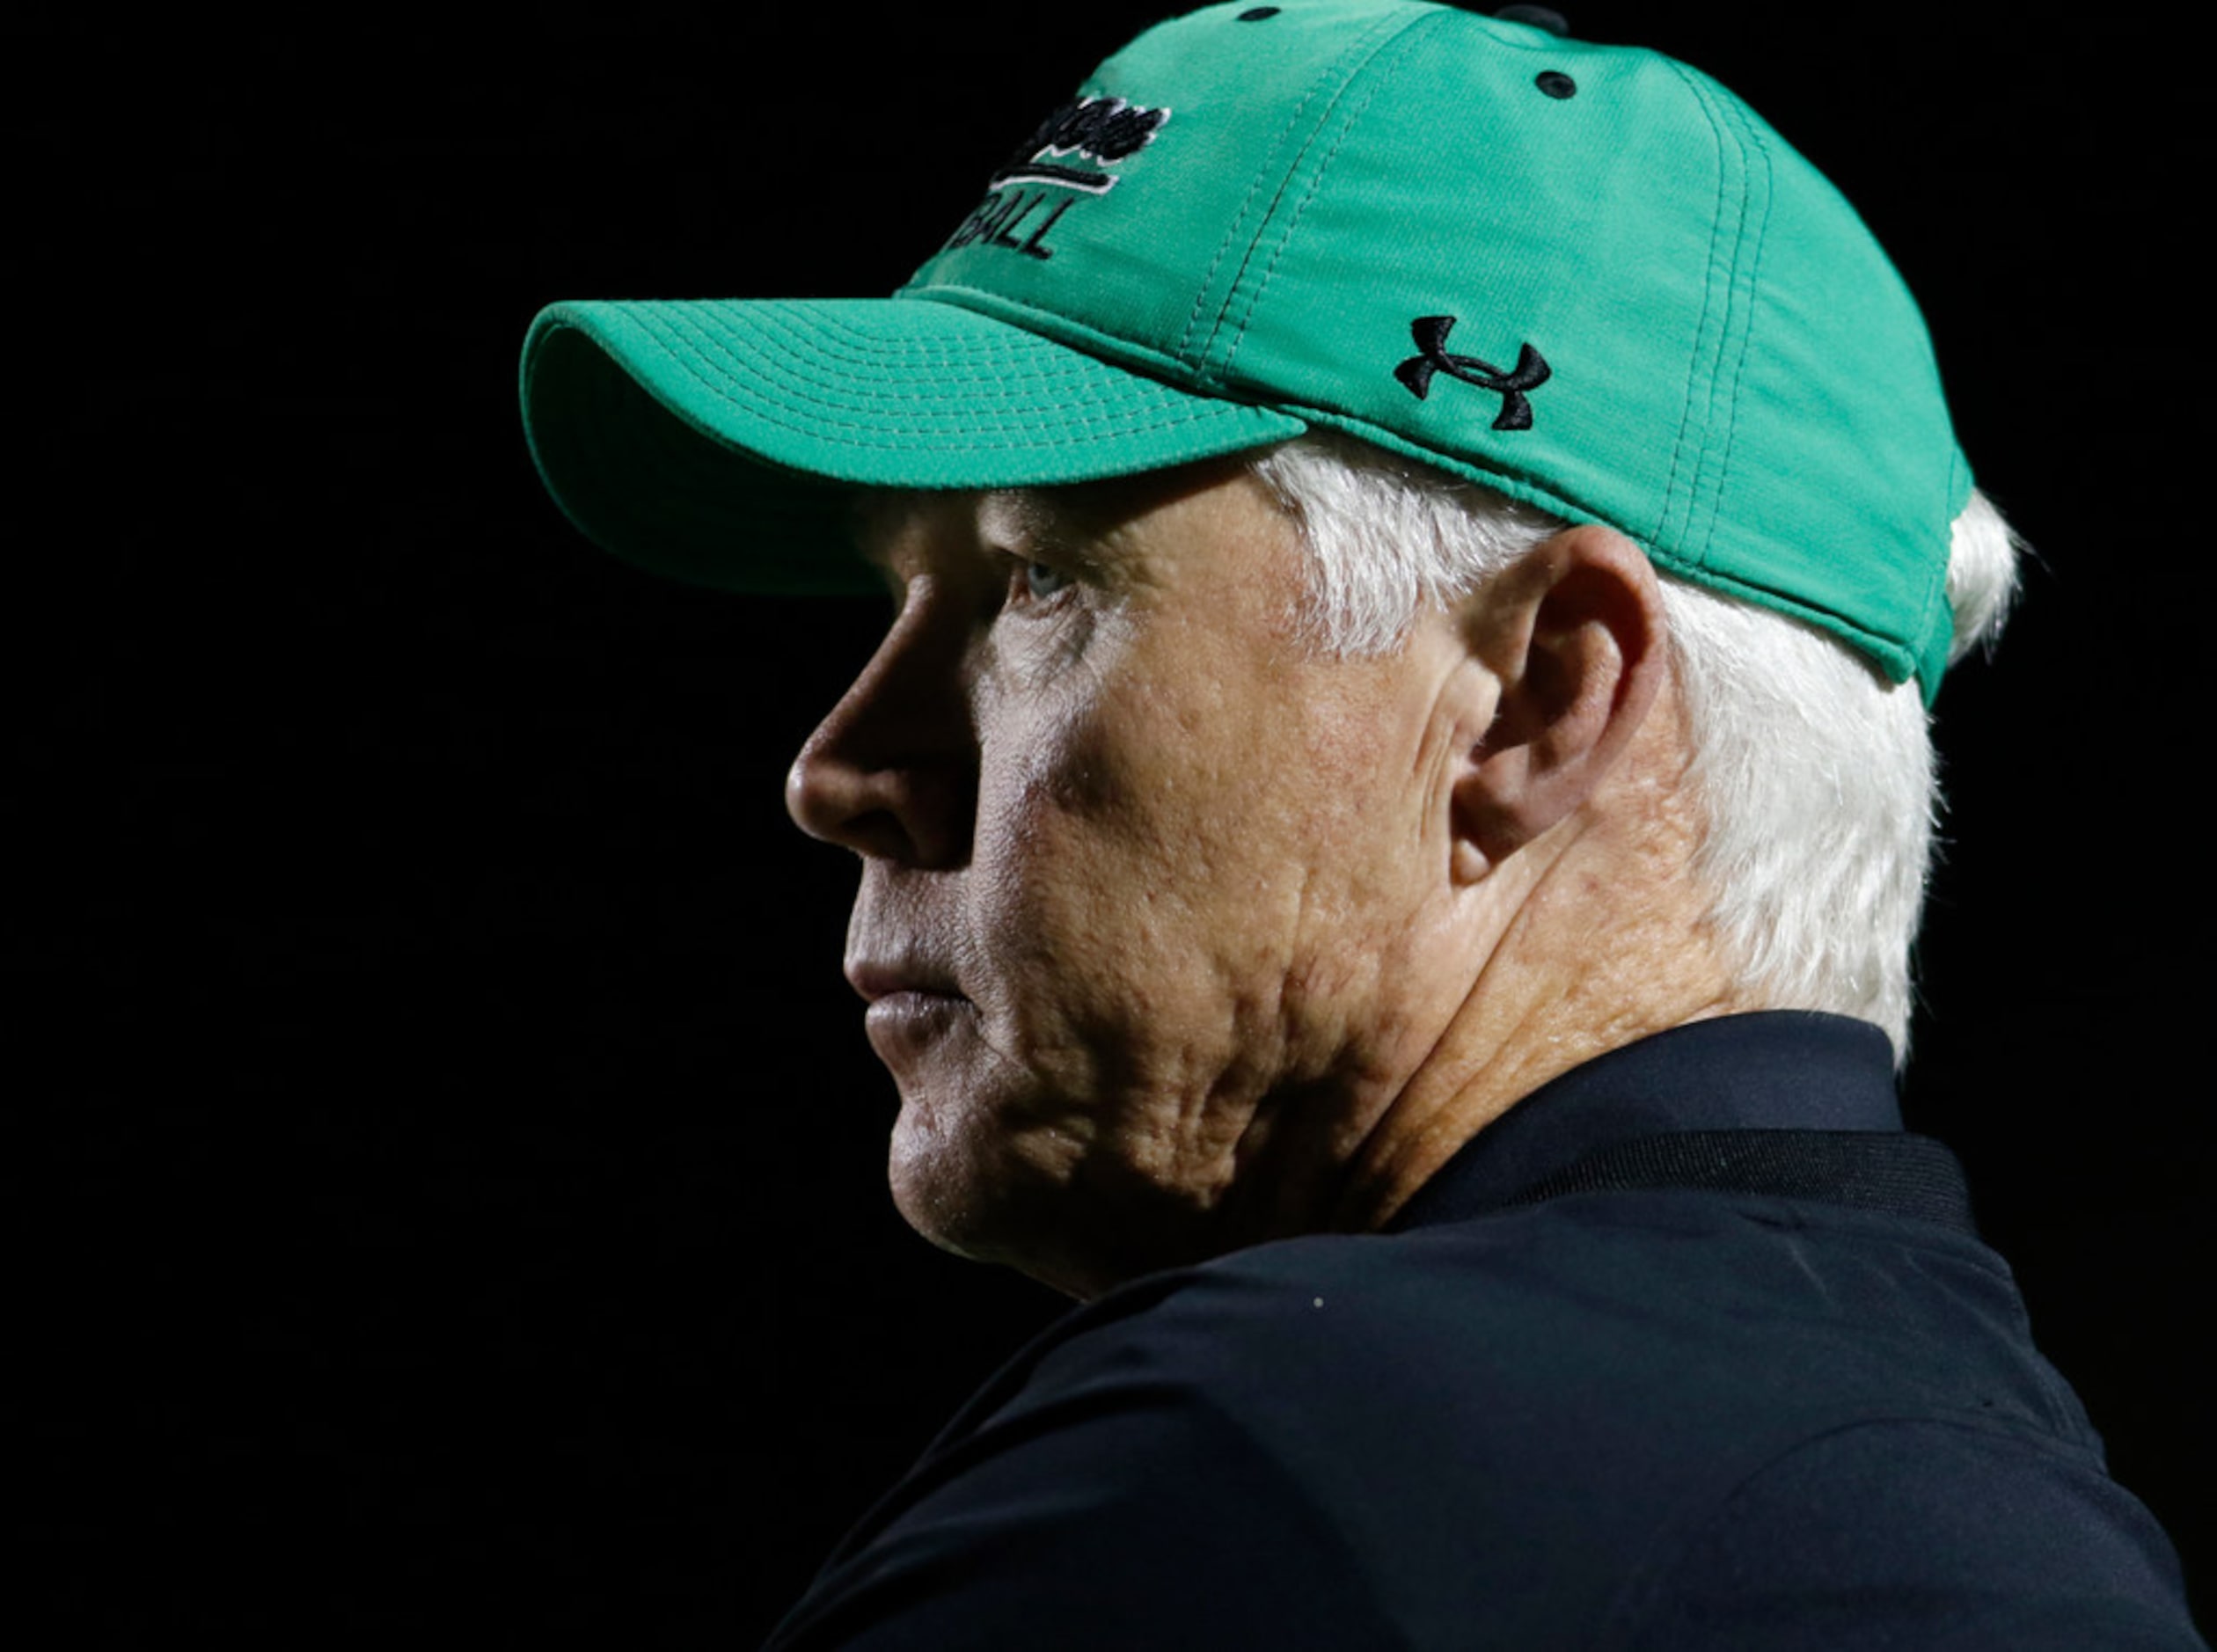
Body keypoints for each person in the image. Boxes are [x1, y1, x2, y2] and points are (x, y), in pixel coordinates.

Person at [517, 1, 2205, 1643]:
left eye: (1037, 583)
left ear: (1537, 695)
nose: (842, 765)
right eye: (900, 598)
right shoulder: (1988, 1498)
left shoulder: (1258, 1482)